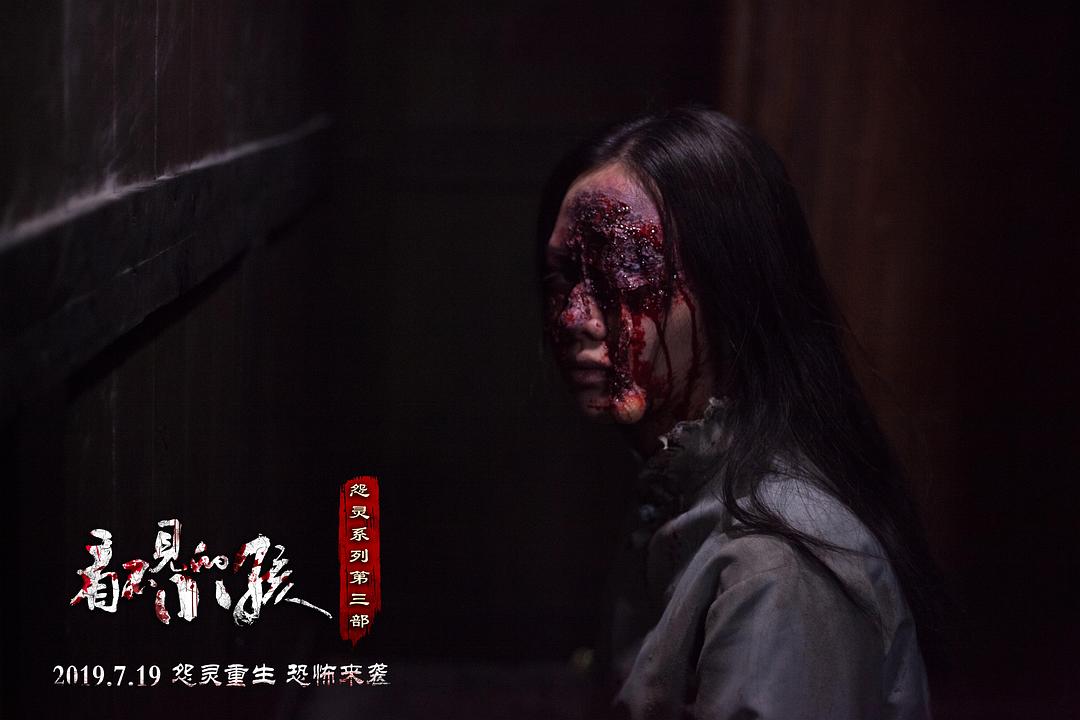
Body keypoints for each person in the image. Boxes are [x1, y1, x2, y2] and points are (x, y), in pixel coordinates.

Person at [538, 107, 939, 719]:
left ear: (732, 284)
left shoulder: (778, 563)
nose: (574, 317)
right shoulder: (678, 500)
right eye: (564, 276)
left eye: (624, 268)